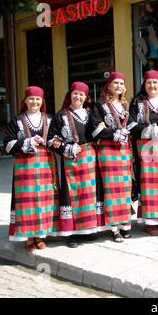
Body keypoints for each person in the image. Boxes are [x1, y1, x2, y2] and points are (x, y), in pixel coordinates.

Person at [4, 86, 59, 252]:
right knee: (27, 199)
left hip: (45, 164)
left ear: (42, 101)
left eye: (38, 99)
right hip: (25, 165)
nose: (34, 102)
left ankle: (41, 234)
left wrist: (54, 141)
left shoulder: (49, 119)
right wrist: (26, 143)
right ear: (25, 101)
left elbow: (55, 137)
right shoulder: (17, 120)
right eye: (31, 99)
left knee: (44, 199)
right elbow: (7, 145)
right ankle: (29, 236)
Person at [48, 82, 101, 248]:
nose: (78, 97)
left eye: (81, 94)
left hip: (90, 157)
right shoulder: (60, 115)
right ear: (70, 94)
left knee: (89, 194)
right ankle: (72, 233)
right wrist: (67, 147)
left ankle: (88, 229)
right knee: (72, 195)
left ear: (86, 97)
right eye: (75, 93)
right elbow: (51, 139)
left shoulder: (91, 114)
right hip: (71, 159)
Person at [128, 70, 158, 236]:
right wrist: (152, 129)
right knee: (150, 184)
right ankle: (150, 221)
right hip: (146, 145)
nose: (152, 86)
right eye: (148, 82)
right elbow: (130, 125)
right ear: (144, 84)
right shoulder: (137, 102)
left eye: (155, 82)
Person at [89, 72, 133, 243]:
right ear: (108, 86)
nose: (119, 86)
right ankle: (114, 227)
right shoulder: (100, 105)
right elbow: (95, 130)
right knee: (112, 188)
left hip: (124, 149)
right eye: (115, 83)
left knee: (125, 187)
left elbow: (131, 124)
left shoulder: (125, 105)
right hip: (108, 150)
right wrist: (113, 132)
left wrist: (108, 128)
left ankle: (126, 223)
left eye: (121, 83)